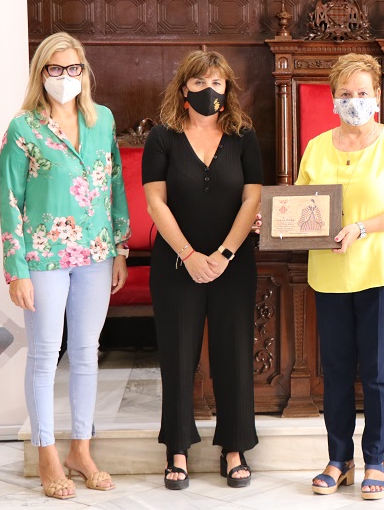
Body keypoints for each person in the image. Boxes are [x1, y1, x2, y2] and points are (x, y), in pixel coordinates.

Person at [0, 32, 130, 500]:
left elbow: (115, 184)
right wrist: (16, 270)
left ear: (84, 72)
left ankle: (81, 449)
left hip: (96, 254)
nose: (65, 77)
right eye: (55, 69)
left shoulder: (102, 120)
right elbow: (10, 200)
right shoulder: (23, 128)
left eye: (73, 68)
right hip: (43, 258)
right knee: (44, 354)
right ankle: (46, 453)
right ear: (41, 73)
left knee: (87, 352)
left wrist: (120, 248)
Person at [297, 53, 384, 500]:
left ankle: (376, 460)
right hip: (329, 275)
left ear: (377, 98)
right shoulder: (316, 147)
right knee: (334, 372)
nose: (355, 101)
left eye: (363, 93)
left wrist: (363, 227)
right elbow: (301, 209)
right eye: (346, 94)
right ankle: (339, 460)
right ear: (333, 99)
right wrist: (272, 224)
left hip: (379, 273)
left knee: (377, 372)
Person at [143, 50, 262, 490]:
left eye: (216, 82)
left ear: (227, 89)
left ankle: (234, 448)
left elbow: (253, 198)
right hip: (176, 264)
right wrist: (190, 254)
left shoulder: (243, 136)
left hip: (234, 262)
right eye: (198, 83)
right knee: (177, 357)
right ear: (183, 89)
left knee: (234, 355)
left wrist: (225, 253)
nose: (207, 90)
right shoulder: (162, 137)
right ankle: (177, 449)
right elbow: (155, 202)